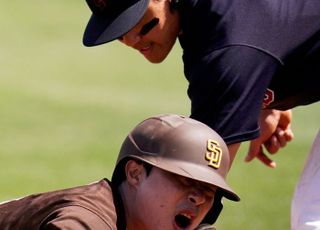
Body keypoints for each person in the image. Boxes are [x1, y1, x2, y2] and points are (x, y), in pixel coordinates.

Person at [82, 0, 320, 228]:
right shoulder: (204, 20)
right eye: (119, 30)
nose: (132, 39)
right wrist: (262, 99)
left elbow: (199, 183)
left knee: (313, 219)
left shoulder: (228, 51)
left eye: (138, 23)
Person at [0, 114, 239, 229]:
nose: (199, 197)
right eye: (184, 180)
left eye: (209, 189)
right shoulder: (85, 224)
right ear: (135, 173)